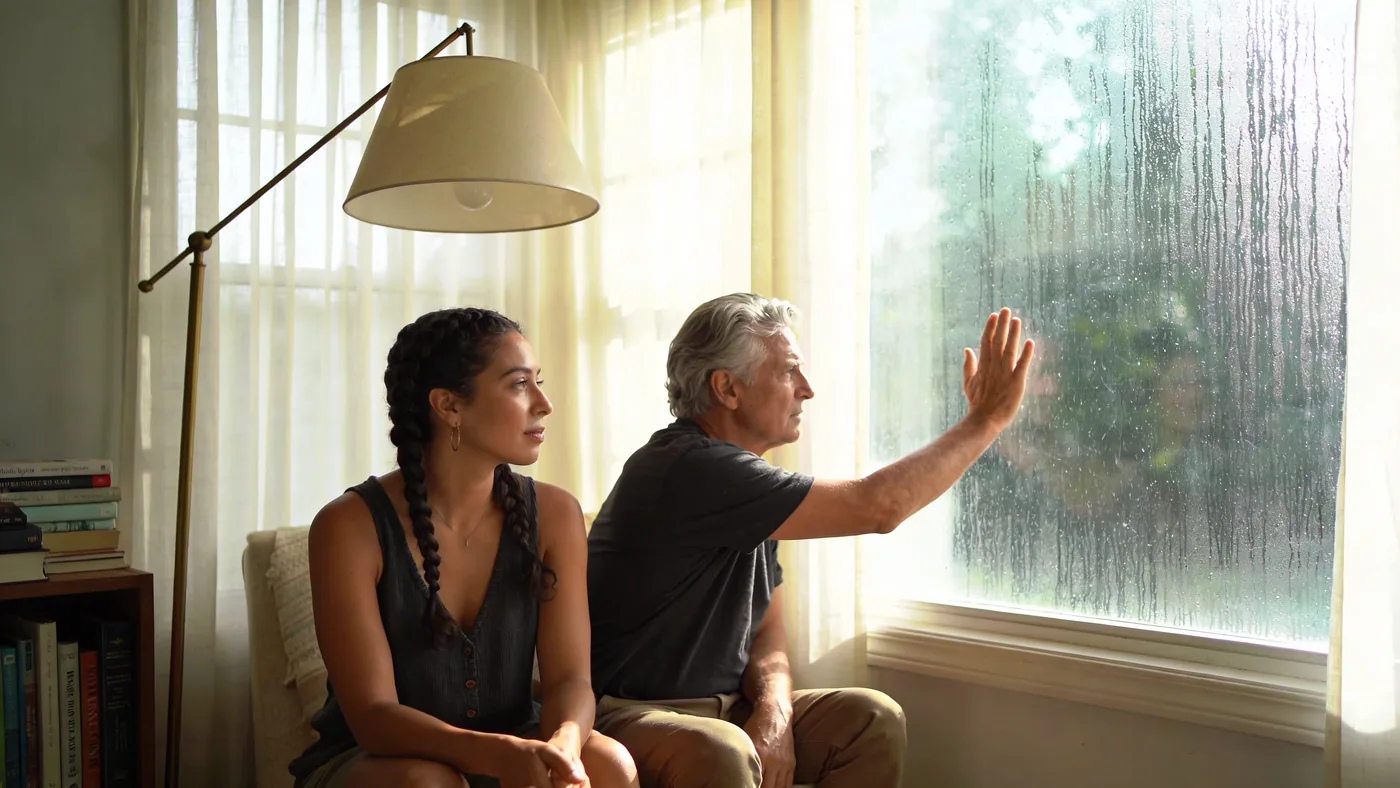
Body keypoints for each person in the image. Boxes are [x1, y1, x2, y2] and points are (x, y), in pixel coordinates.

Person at [586, 294, 1035, 788]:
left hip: (726, 711)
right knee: (723, 747)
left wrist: (774, 711)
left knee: (870, 718)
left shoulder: (752, 485)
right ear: (727, 388)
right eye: (789, 372)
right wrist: (985, 420)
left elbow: (767, 632)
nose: (808, 390)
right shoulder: (688, 468)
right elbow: (878, 507)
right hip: (631, 716)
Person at [289, 308, 639, 788]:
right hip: (377, 760)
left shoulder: (557, 515)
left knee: (610, 764)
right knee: (428, 783)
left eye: (538, 381)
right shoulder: (348, 526)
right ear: (449, 406)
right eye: (519, 385)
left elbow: (569, 680)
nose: (544, 403)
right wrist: (495, 754)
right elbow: (374, 717)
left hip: (515, 739)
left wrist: (565, 743)